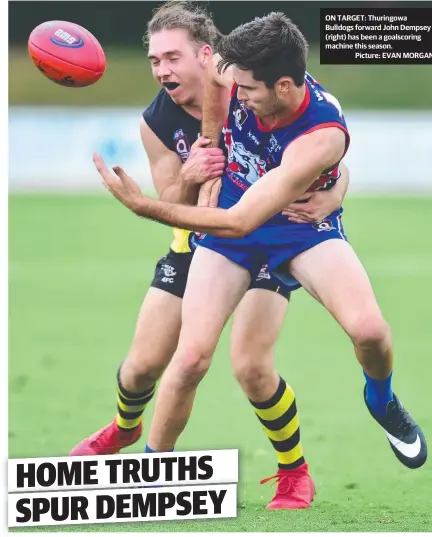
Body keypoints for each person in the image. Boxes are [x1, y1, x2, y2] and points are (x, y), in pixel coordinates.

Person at [95, 10, 428, 483]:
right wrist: (212, 141)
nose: (240, 97)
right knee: (189, 358)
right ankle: (152, 474)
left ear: (286, 87)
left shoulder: (322, 134)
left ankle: (381, 400)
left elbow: (241, 220)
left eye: (248, 91)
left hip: (295, 225)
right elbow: (217, 81)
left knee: (371, 332)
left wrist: (142, 206)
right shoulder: (233, 76)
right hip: (232, 226)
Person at [73, 3, 351, 509]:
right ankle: (124, 428)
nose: (162, 70)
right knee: (141, 369)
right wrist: (190, 175)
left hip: (266, 240)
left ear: (208, 55)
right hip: (198, 241)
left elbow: (320, 149)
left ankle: (294, 472)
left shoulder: (254, 86)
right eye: (155, 59)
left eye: (172, 57)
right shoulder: (156, 120)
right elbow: (169, 204)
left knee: (251, 366)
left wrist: (334, 197)